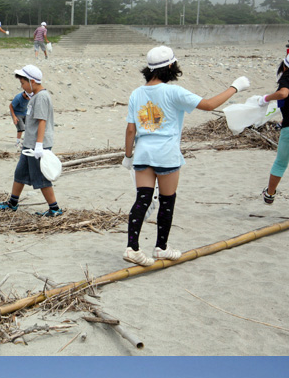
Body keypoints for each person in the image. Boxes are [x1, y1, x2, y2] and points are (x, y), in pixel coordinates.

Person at [122, 45, 250, 266]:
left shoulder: (136, 93)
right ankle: (161, 248)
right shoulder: (174, 92)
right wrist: (235, 87)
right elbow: (209, 105)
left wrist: (128, 155)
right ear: (171, 66)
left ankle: (132, 247)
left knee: (142, 200)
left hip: (143, 154)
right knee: (167, 201)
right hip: (166, 154)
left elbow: (131, 130)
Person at [0, 65, 61, 217]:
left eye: (23, 83)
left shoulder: (42, 97)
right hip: (29, 143)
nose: (22, 87)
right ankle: (12, 203)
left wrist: (39, 145)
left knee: (41, 176)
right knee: (20, 173)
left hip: (37, 145)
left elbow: (42, 121)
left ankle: (54, 208)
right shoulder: (35, 96)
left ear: (32, 81)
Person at [259, 54, 289, 204]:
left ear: (284, 66)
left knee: (280, 163)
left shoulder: (286, 78)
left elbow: (283, 93)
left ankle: (269, 194)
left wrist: (266, 98)